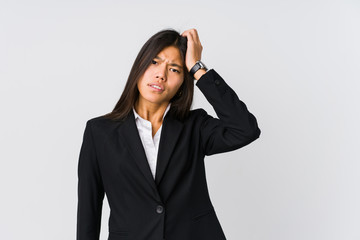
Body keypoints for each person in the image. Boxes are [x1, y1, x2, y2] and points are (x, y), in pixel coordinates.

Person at [76, 28, 261, 240]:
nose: (161, 75)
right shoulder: (99, 132)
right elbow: (88, 212)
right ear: (139, 67)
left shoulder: (195, 126)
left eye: (174, 69)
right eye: (154, 62)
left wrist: (197, 68)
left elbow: (246, 130)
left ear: (183, 83)